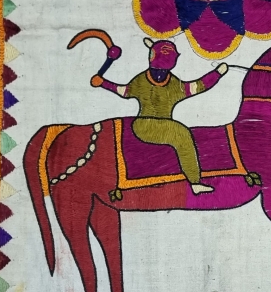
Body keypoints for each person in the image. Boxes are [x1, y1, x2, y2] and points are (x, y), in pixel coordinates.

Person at [92, 38, 228, 194]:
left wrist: (217, 74)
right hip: (143, 125)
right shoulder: (142, 80)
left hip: (163, 125)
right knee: (181, 133)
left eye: (161, 71)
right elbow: (124, 91)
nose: (158, 74)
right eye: (156, 70)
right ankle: (194, 182)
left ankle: (194, 181)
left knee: (179, 131)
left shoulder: (174, 84)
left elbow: (197, 86)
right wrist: (103, 83)